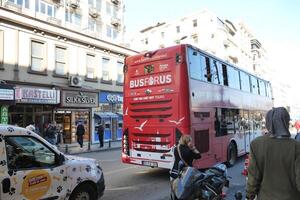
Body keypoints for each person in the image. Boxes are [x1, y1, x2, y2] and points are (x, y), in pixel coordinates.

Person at [246, 107, 300, 200]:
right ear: (286, 123)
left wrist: (249, 196)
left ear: (268, 123)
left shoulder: (256, 144)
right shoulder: (296, 146)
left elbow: (253, 179)